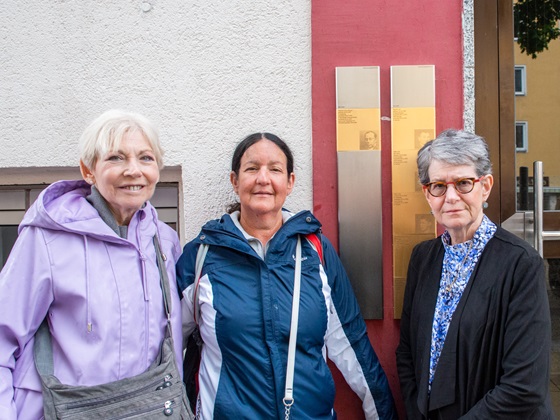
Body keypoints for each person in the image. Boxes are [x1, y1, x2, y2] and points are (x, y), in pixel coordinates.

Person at [177, 132, 396, 419]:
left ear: (290, 182)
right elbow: (165, 346)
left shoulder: (315, 250)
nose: (263, 179)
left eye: (275, 169)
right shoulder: (202, 255)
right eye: (252, 168)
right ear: (235, 181)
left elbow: (351, 345)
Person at [0, 110, 184, 419]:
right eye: (116, 158)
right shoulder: (46, 239)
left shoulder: (163, 241)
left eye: (146, 158)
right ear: (88, 170)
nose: (133, 170)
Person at [396, 129, 554, 419]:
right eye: (439, 186)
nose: (451, 197)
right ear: (427, 194)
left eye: (464, 183)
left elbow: (525, 386)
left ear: (486, 186)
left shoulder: (522, 264)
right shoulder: (423, 258)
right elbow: (407, 350)